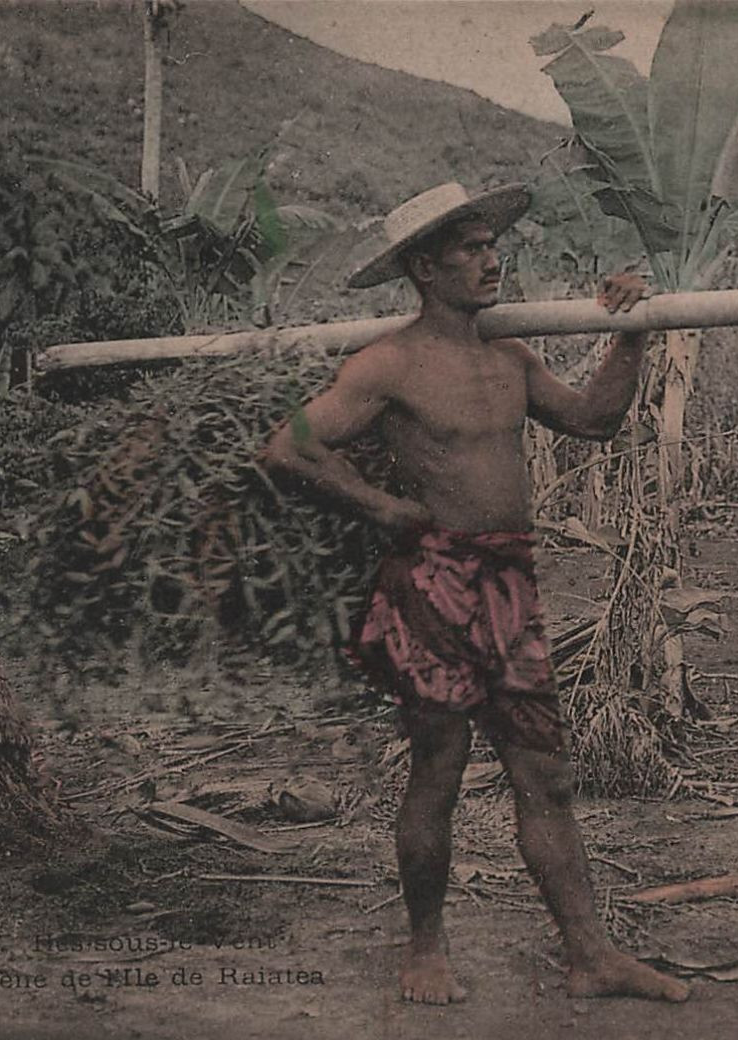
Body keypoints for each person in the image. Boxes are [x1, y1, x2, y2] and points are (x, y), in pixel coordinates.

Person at [259, 182, 690, 1006]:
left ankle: (590, 954)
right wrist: (384, 507)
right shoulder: (388, 362)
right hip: (431, 582)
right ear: (423, 267)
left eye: (493, 245)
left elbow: (594, 419)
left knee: (546, 773)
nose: (491, 260)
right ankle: (425, 949)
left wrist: (629, 332)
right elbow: (289, 447)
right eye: (469, 249)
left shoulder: (510, 356)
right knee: (440, 766)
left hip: (508, 583)